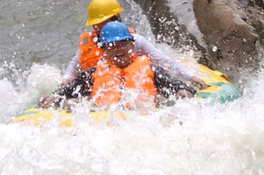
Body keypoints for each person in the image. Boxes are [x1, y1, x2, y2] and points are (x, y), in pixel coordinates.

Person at [41, 22, 197, 110]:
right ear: (104, 50)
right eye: (112, 46)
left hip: (140, 120)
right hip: (104, 121)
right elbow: (69, 90)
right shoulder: (92, 74)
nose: (118, 49)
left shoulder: (150, 69)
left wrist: (184, 91)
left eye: (123, 44)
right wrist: (53, 96)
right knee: (70, 104)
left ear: (132, 44)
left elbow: (175, 85)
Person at [59, 0, 207, 88]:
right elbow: (74, 67)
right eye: (98, 24)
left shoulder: (134, 42)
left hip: (132, 86)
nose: (103, 27)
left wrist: (190, 77)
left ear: (117, 19)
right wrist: (65, 82)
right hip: (102, 86)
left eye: (105, 22)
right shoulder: (89, 53)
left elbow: (164, 61)